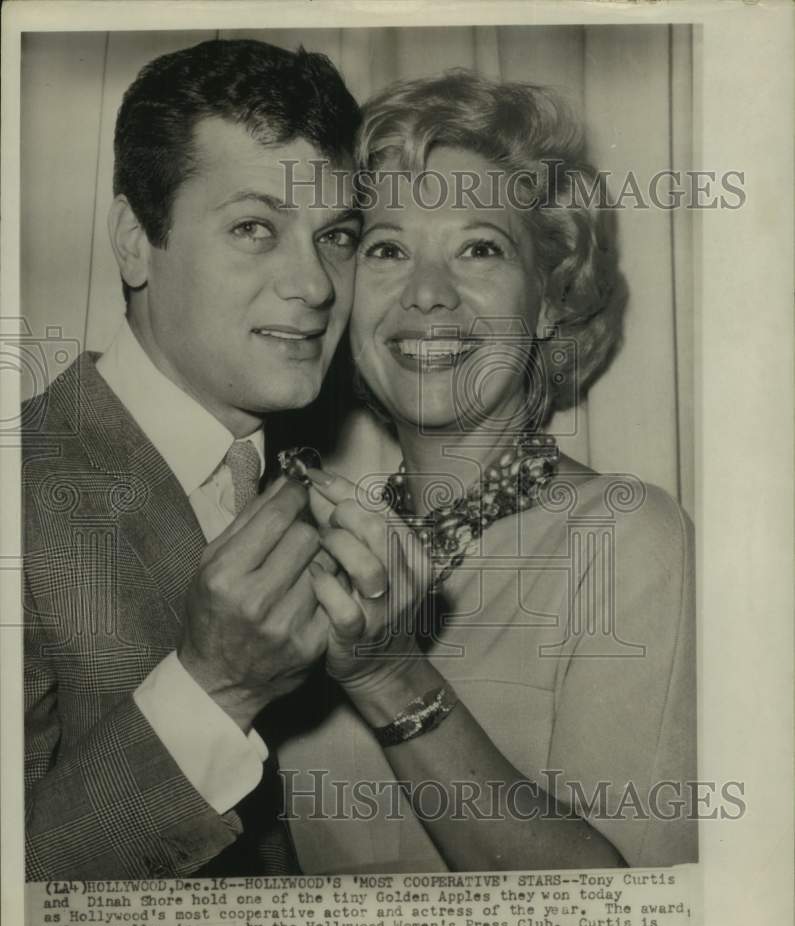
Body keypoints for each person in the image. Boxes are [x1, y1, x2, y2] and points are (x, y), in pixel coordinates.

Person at [278, 70, 697, 873]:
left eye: (479, 248)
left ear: (548, 298)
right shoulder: (310, 545)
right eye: (387, 248)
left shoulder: (627, 541)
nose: (427, 294)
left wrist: (392, 676)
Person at [22, 38, 362, 880]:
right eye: (254, 228)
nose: (315, 286)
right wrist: (215, 688)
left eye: (337, 237)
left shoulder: (296, 486)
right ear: (136, 241)